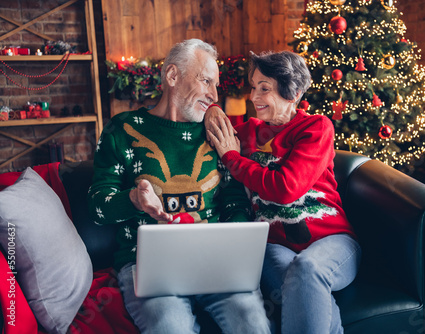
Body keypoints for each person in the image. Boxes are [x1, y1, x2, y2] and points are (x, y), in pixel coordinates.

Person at [87, 39, 271, 334]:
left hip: (215, 260)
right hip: (147, 266)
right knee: (171, 327)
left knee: (252, 321)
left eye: (216, 85)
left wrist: (237, 254)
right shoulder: (121, 129)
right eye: (206, 81)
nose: (214, 94)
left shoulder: (217, 131)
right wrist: (133, 198)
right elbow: (97, 207)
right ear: (172, 76)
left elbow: (234, 198)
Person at [206, 50, 361, 334]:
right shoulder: (247, 132)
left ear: (293, 93)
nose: (254, 97)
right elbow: (203, 126)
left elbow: (286, 188)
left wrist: (232, 157)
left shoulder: (316, 127)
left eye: (265, 89)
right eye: (253, 87)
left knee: (308, 269)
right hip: (273, 245)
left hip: (332, 240)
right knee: (306, 282)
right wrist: (213, 110)